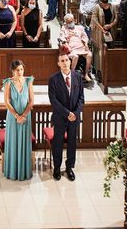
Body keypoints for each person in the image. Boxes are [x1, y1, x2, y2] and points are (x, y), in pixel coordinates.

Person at [48, 53, 85, 181]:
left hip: (74, 117)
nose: (64, 62)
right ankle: (57, 168)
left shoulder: (78, 77)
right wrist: (67, 113)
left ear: (70, 61)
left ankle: (69, 167)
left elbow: (81, 98)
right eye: (62, 61)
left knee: (72, 142)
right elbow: (53, 101)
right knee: (57, 143)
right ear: (58, 63)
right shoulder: (53, 79)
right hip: (60, 117)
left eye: (66, 60)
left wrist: (75, 113)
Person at [3, 60, 35, 180]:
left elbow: (31, 101)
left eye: (22, 69)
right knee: (13, 142)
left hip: (26, 117)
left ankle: (24, 172)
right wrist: (17, 116)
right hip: (13, 118)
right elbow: (6, 101)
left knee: (24, 142)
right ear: (13, 71)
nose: (20, 72)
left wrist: (24, 115)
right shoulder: (8, 83)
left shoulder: (29, 81)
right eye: (18, 70)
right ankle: (12, 171)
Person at [59, 13, 93, 82]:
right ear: (66, 23)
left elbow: (85, 37)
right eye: (68, 22)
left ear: (74, 20)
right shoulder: (64, 28)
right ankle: (71, 74)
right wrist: (67, 43)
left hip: (81, 46)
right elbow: (62, 39)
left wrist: (86, 44)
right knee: (75, 56)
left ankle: (86, 73)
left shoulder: (80, 27)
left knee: (89, 55)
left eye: (71, 22)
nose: (70, 23)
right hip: (71, 48)